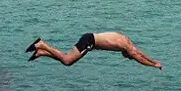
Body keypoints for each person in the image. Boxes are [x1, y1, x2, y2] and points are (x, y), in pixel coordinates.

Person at [25, 32, 162, 70]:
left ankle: (42, 53)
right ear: (128, 53)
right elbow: (139, 58)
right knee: (67, 61)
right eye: (128, 57)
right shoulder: (126, 47)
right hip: (89, 42)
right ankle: (42, 45)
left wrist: (154, 61)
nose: (126, 57)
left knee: (68, 60)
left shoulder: (126, 41)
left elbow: (139, 53)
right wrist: (152, 65)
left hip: (89, 39)